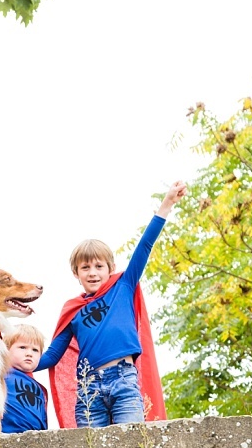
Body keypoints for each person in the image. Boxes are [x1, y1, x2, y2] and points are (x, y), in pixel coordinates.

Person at [37, 181, 186, 428]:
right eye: (85, 268)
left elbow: (145, 246)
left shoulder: (123, 287)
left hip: (124, 380)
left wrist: (167, 204)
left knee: (131, 446)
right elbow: (53, 355)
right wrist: (15, 362)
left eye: (99, 266)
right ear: (76, 273)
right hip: (89, 389)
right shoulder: (72, 310)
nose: (92, 272)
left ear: (111, 269)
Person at [1, 325, 48, 434]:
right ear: (6, 350)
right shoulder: (0, 375)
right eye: (22, 347)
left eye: (35, 350)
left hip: (36, 439)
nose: (29, 353)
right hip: (5, 435)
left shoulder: (39, 388)